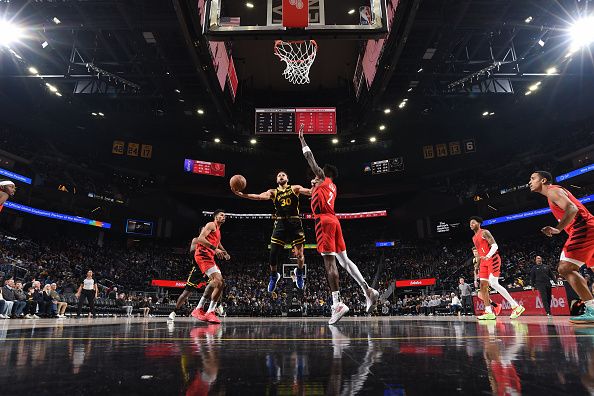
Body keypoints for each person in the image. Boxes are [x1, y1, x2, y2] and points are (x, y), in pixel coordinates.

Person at [297, 125, 379, 324]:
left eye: (315, 176)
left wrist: (302, 141)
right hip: (335, 221)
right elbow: (310, 190)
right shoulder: (331, 186)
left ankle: (337, 303)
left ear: (323, 174)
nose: (312, 178)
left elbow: (311, 160)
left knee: (330, 263)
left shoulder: (323, 178)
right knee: (345, 261)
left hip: (324, 221)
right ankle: (368, 290)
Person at [529, 171, 594, 323]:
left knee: (565, 268)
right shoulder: (554, 193)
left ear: (543, 180)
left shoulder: (552, 191)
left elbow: (572, 209)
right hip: (589, 227)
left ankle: (591, 308)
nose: (529, 182)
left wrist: (558, 229)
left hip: (583, 228)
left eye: (533, 178)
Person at [232, 171, 311, 292]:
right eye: (278, 175)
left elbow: (309, 191)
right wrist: (242, 195)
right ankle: (274, 276)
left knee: (300, 255)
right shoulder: (273, 192)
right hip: (280, 224)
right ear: (276, 180)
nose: (281, 176)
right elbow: (259, 197)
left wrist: (318, 186)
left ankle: (299, 273)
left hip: (295, 223)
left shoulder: (295, 188)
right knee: (273, 255)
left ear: (287, 179)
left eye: (283, 175)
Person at [168, 219, 228, 322]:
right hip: (198, 268)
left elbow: (219, 246)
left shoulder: (213, 241)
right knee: (186, 292)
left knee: (219, 283)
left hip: (208, 266)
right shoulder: (196, 240)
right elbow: (192, 253)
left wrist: (224, 252)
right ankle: (174, 311)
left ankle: (217, 305)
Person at [470, 216, 525, 320]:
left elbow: (495, 245)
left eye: (473, 222)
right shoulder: (473, 238)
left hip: (492, 258)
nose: (471, 224)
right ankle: (489, 312)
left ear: (479, 223)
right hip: (483, 261)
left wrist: (488, 256)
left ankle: (516, 306)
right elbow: (479, 254)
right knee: (483, 286)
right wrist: (477, 266)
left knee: (494, 283)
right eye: (470, 223)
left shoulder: (484, 232)